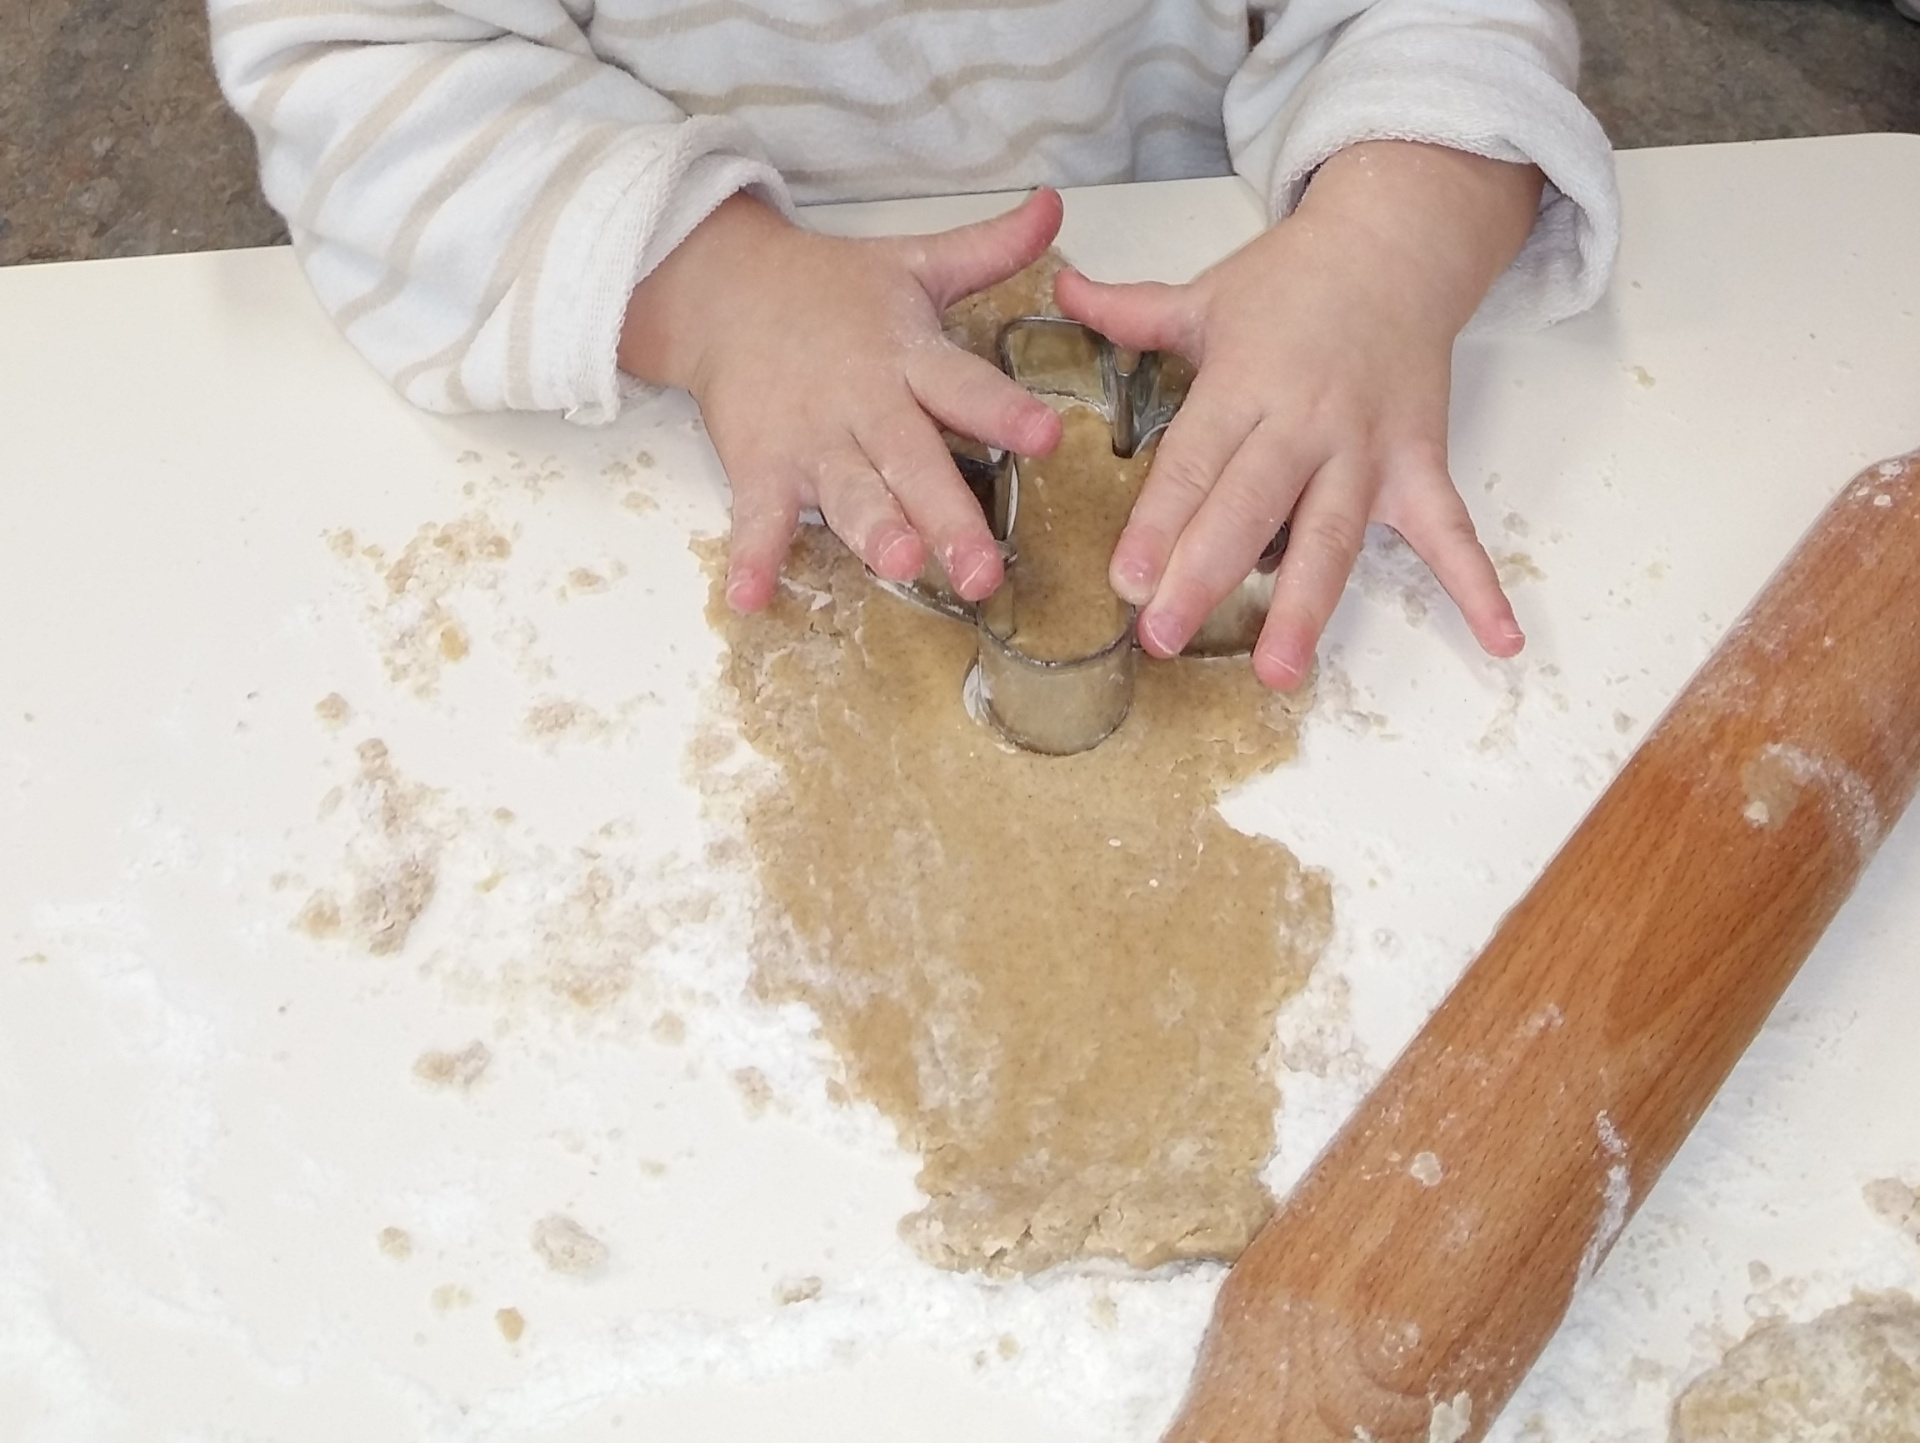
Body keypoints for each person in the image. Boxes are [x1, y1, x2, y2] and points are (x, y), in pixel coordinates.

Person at [210, 0, 1618, 689]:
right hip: (654, 301)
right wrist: (715, 288)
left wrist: (1384, 251)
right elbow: (364, 73)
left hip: (1175, 256)